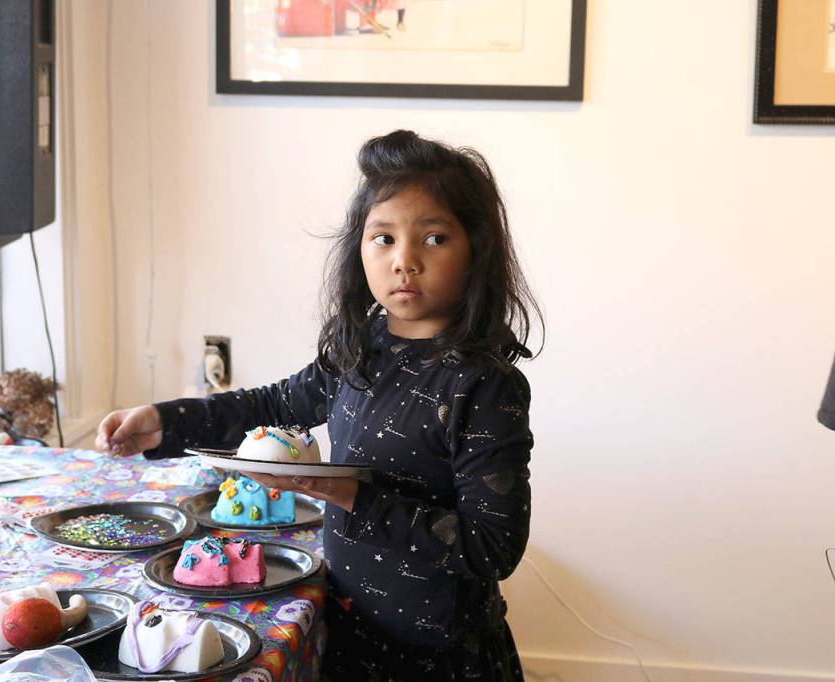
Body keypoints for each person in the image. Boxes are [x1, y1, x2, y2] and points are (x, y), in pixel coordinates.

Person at [97, 129, 541, 681]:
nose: (405, 261)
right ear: (359, 248)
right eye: (384, 238)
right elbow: (276, 404)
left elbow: (493, 546)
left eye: (434, 238)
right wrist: (164, 422)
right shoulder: (363, 347)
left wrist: (350, 496)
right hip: (351, 634)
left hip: (441, 659)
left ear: (476, 249)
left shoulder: (485, 386)